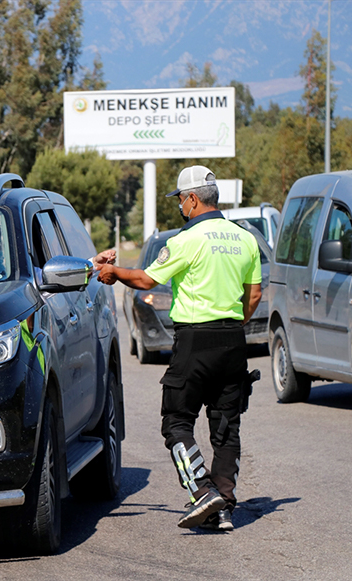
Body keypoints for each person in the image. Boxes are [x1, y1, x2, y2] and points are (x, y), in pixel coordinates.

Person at [96, 165, 262, 531]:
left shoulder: (187, 240)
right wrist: (235, 324)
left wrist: (114, 273)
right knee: (226, 428)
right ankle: (223, 506)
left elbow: (144, 279)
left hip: (194, 342)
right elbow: (254, 294)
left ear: (191, 199)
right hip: (234, 340)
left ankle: (202, 492)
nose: (180, 208)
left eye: (180, 201)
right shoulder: (245, 239)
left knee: (176, 420)